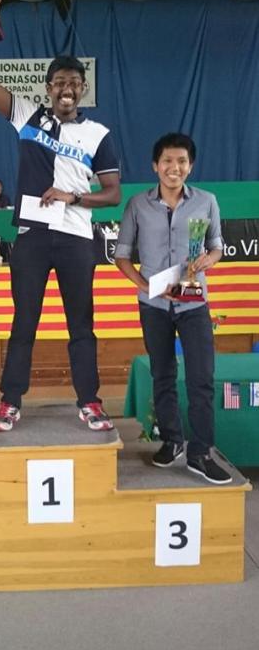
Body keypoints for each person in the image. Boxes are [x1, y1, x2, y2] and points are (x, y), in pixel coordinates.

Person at [0, 44, 121, 433]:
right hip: (32, 235)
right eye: (59, 82)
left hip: (75, 238)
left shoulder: (98, 134)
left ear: (83, 88)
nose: (66, 88)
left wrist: (74, 197)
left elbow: (113, 193)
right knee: (24, 322)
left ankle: (90, 401)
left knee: (81, 324)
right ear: (48, 87)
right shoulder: (27, 115)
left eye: (74, 82)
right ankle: (9, 402)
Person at [115, 132, 231, 484]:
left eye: (182, 161)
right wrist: (147, 286)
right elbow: (122, 256)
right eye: (167, 161)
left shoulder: (206, 201)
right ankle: (171, 440)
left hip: (194, 302)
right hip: (153, 305)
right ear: (155, 165)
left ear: (190, 166)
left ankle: (201, 452)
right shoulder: (138, 204)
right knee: (162, 374)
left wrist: (207, 260)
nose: (174, 167)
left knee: (201, 378)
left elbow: (217, 246)